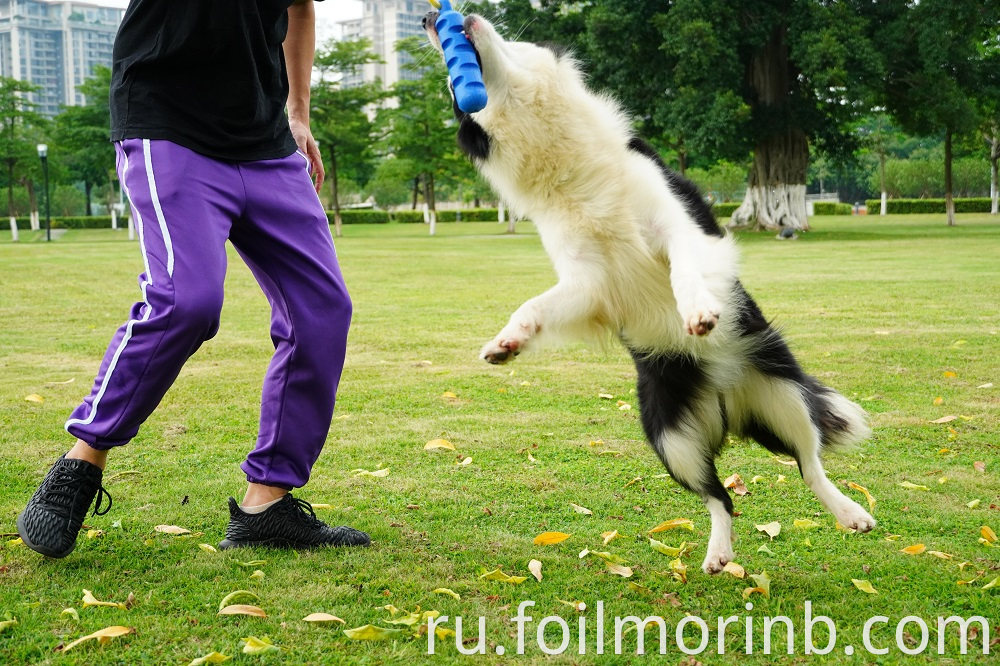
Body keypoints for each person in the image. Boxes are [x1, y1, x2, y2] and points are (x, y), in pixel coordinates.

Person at [16, 0, 370, 557]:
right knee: (188, 301)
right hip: (168, 124)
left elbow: (299, 8)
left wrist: (298, 113)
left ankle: (267, 505)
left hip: (266, 142)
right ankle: (81, 461)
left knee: (322, 311)